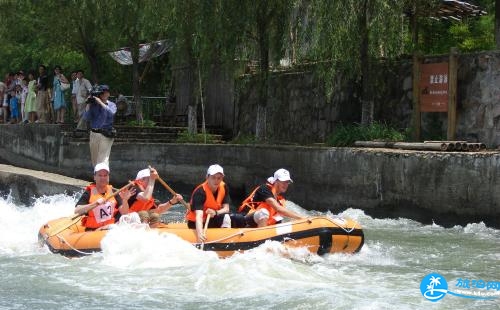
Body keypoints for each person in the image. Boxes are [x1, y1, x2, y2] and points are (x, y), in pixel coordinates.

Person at [74, 162, 135, 230]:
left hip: (110, 227)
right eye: (100, 175)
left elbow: (124, 213)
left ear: (108, 177)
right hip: (93, 230)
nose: (103, 178)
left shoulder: (113, 192)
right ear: (95, 177)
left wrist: (125, 200)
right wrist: (95, 204)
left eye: (105, 175)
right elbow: (77, 210)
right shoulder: (89, 192)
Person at [238, 168, 305, 227]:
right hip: (246, 220)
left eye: (287, 182)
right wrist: (301, 218)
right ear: (276, 181)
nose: (286, 184)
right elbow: (278, 209)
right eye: (283, 181)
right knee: (263, 212)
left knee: (279, 218)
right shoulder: (264, 189)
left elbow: (277, 218)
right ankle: (262, 239)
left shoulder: (280, 201)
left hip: (262, 225)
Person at [186, 164, 234, 243]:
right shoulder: (200, 192)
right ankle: (224, 242)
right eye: (213, 178)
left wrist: (215, 212)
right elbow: (199, 216)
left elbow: (226, 209)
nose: (216, 180)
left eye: (219, 178)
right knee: (226, 218)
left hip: (212, 218)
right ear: (207, 177)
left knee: (237, 219)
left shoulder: (223, 187)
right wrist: (200, 233)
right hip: (195, 223)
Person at [82, 84, 116, 166]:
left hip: (105, 134)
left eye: (105, 92)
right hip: (94, 134)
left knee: (103, 158)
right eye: (101, 93)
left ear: (108, 94)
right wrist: (88, 104)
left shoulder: (112, 105)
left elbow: (111, 113)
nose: (103, 94)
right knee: (95, 159)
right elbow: (86, 118)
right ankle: (97, 177)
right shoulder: (93, 105)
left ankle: (103, 177)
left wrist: (100, 102)